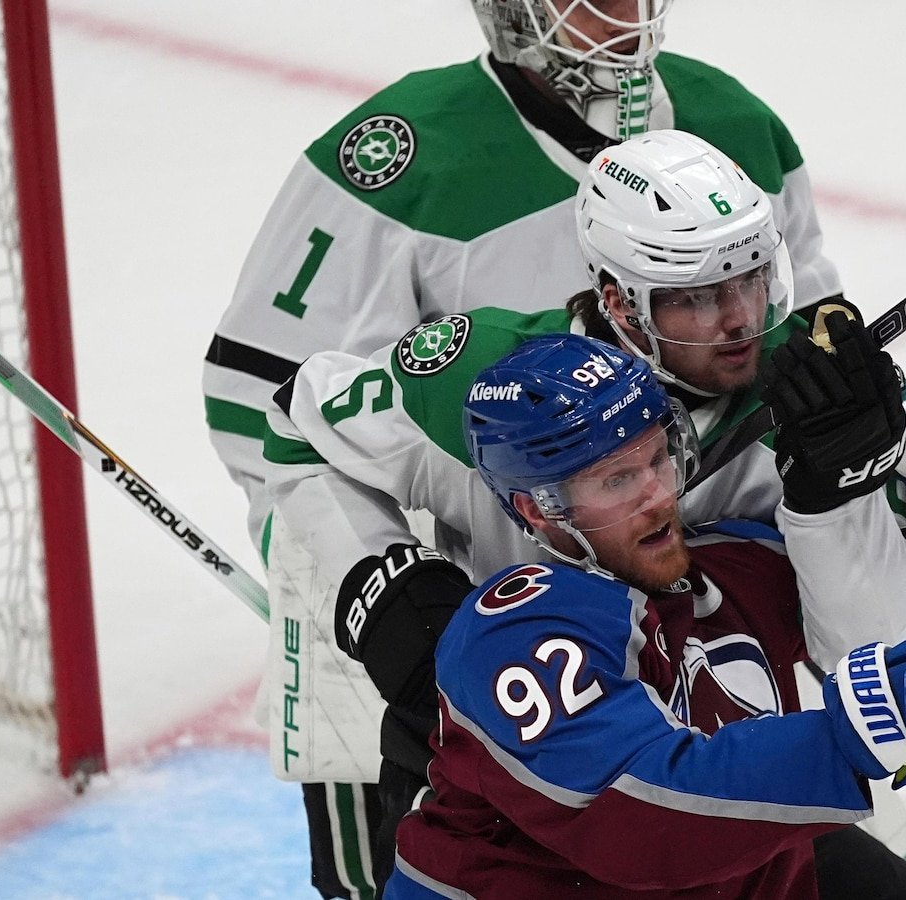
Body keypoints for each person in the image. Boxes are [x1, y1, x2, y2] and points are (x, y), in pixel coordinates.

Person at [267, 130, 906, 893]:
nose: (739, 320)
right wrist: (380, 584)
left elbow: (882, 657)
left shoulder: (807, 399)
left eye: (751, 278)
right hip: (507, 757)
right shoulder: (481, 383)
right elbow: (294, 430)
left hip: (720, 775)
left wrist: (875, 484)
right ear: (620, 301)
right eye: (698, 297)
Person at [204, 7, 848, 890]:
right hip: (459, 637)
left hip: (700, 660)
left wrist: (838, 481)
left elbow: (796, 355)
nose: (626, 9)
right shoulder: (399, 157)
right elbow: (265, 407)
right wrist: (383, 585)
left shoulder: (734, 129)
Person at [380, 333, 906, 898]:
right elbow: (640, 814)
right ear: (536, 509)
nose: (656, 497)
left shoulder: (728, 568)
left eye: (656, 459)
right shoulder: (516, 630)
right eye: (616, 480)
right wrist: (858, 732)